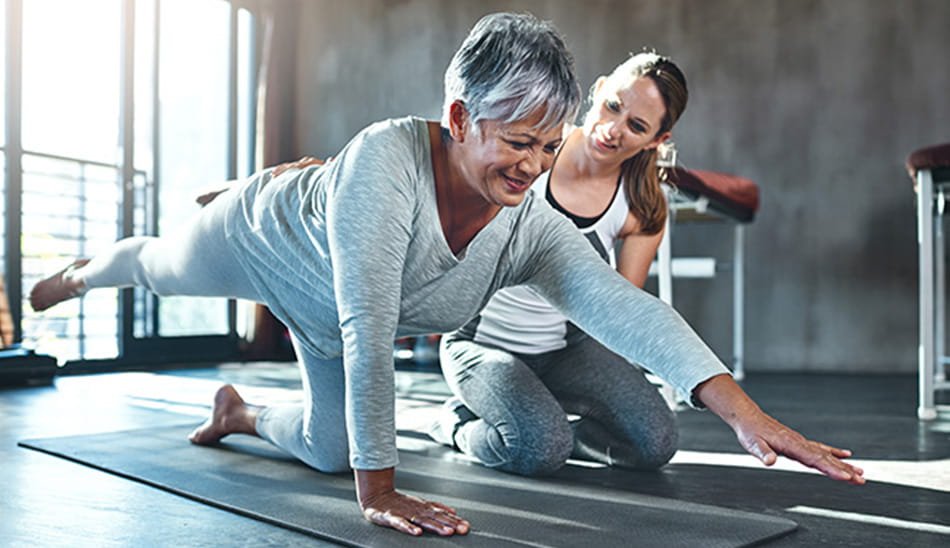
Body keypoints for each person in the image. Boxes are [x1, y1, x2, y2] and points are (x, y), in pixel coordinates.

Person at [28, 13, 862, 540]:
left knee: (326, 447)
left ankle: (238, 411)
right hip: (266, 243)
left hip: (325, 316)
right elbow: (369, 324)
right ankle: (85, 268)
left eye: (546, 146)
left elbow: (618, 305)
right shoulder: (387, 166)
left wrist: (749, 417)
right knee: (161, 267)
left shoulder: (529, 220)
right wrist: (382, 491)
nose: (532, 167)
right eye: (514, 143)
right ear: (460, 118)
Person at [430, 52, 864, 481]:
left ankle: (557, 431)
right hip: (482, 345)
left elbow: (622, 314)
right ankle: (454, 423)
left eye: (636, 126)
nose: (612, 130)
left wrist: (741, 414)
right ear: (598, 90)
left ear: (657, 140)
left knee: (653, 443)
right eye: (613, 105)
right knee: (541, 449)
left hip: (565, 351)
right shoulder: (534, 151)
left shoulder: (640, 206)